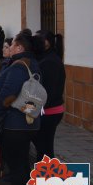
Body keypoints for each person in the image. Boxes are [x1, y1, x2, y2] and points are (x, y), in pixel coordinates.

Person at [0, 30, 43, 185]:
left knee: (17, 168)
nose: (9, 48)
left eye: (12, 45)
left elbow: (7, 94)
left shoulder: (19, 66)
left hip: (15, 124)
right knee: (21, 166)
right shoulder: (33, 64)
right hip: (28, 123)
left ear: (19, 48)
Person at [32, 30, 66, 162]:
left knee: (45, 150)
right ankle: (46, 179)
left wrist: (31, 108)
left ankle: (49, 180)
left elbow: (47, 92)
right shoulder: (44, 58)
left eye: (38, 39)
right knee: (43, 149)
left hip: (49, 112)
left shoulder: (50, 61)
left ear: (47, 42)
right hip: (47, 111)